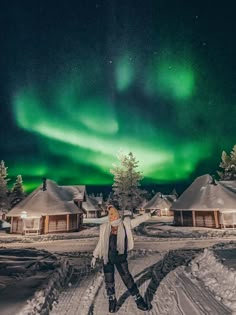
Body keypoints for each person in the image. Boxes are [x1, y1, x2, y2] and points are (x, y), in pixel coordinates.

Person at [91, 205, 157, 313]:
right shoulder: (105, 227)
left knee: (127, 279)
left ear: (117, 214)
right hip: (107, 258)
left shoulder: (125, 224)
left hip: (120, 258)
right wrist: (95, 255)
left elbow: (137, 220)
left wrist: (149, 215)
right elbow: (100, 243)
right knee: (109, 281)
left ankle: (138, 299)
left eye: (113, 214)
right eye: (110, 214)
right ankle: (112, 300)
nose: (111, 216)